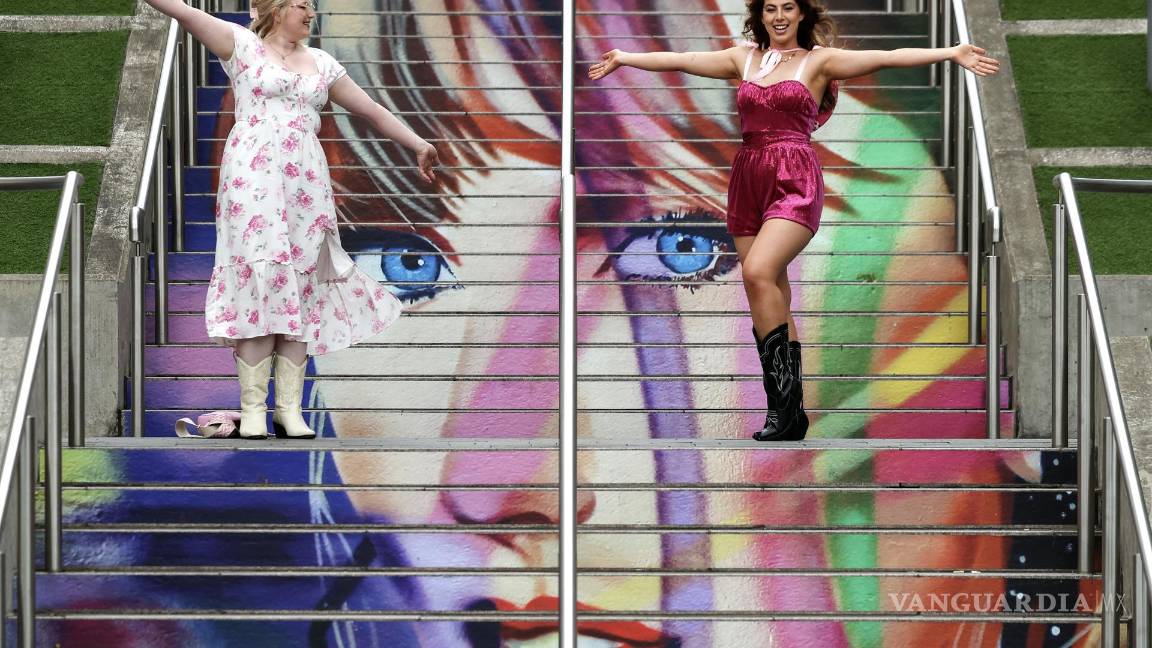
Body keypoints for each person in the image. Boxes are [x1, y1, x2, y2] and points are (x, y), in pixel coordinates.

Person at [587, 0, 998, 442]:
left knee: (758, 271)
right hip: (748, 178)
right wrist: (625, 56)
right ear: (760, 16)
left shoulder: (819, 61)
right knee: (769, 291)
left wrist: (951, 52)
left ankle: (783, 411)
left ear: (802, 15)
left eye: (788, 8)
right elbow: (684, 59)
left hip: (794, 178)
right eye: (771, 9)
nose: (779, 16)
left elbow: (886, 57)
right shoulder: (743, 58)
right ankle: (788, 411)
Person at [141, 0, 439, 440]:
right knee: (260, 282)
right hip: (252, 179)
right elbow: (184, 12)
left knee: (301, 286)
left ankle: (288, 410)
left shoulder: (321, 62)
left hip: (306, 185)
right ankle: (253, 409)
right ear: (277, 8)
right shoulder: (241, 44)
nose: (310, 11)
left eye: (312, 5)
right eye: (302, 4)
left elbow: (371, 109)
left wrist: (417, 144)